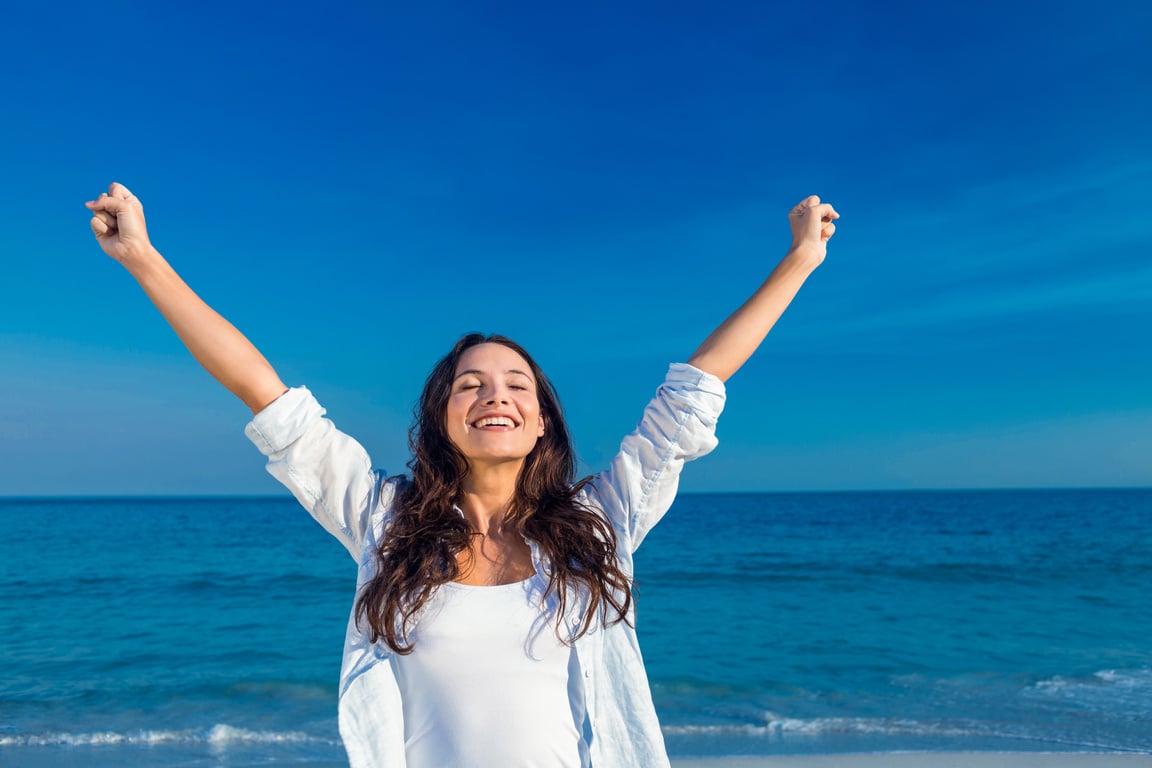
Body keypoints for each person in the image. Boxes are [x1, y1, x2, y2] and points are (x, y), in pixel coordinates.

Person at [85, 183, 838, 768]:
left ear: (542, 418)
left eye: (516, 383)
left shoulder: (601, 522)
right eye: (469, 383)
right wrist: (145, 261)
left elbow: (695, 390)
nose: (494, 395)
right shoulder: (382, 521)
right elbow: (266, 395)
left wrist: (800, 260)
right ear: (442, 415)